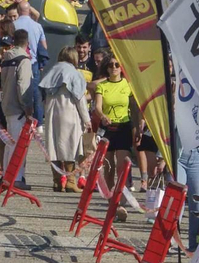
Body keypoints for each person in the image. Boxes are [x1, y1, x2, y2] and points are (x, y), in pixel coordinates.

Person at [40, 45, 87, 191]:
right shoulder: (74, 73)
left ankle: (57, 181)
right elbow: (80, 99)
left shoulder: (52, 71)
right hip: (69, 112)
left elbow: (43, 94)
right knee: (70, 146)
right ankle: (71, 182)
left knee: (53, 145)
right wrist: (87, 119)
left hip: (51, 113)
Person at [93, 53, 135, 211]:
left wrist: (137, 127)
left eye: (117, 65)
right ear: (106, 68)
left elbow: (134, 108)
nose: (114, 68)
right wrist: (103, 116)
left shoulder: (127, 85)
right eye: (111, 65)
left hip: (123, 126)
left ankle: (120, 196)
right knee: (109, 168)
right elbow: (97, 106)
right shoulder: (102, 86)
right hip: (108, 128)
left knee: (122, 167)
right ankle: (113, 201)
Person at [0, 28, 35, 188]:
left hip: (6, 105)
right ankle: (17, 178)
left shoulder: (6, 59)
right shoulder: (23, 61)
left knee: (9, 144)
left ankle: (6, 175)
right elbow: (23, 86)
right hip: (18, 109)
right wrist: (28, 108)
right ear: (27, 42)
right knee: (19, 145)